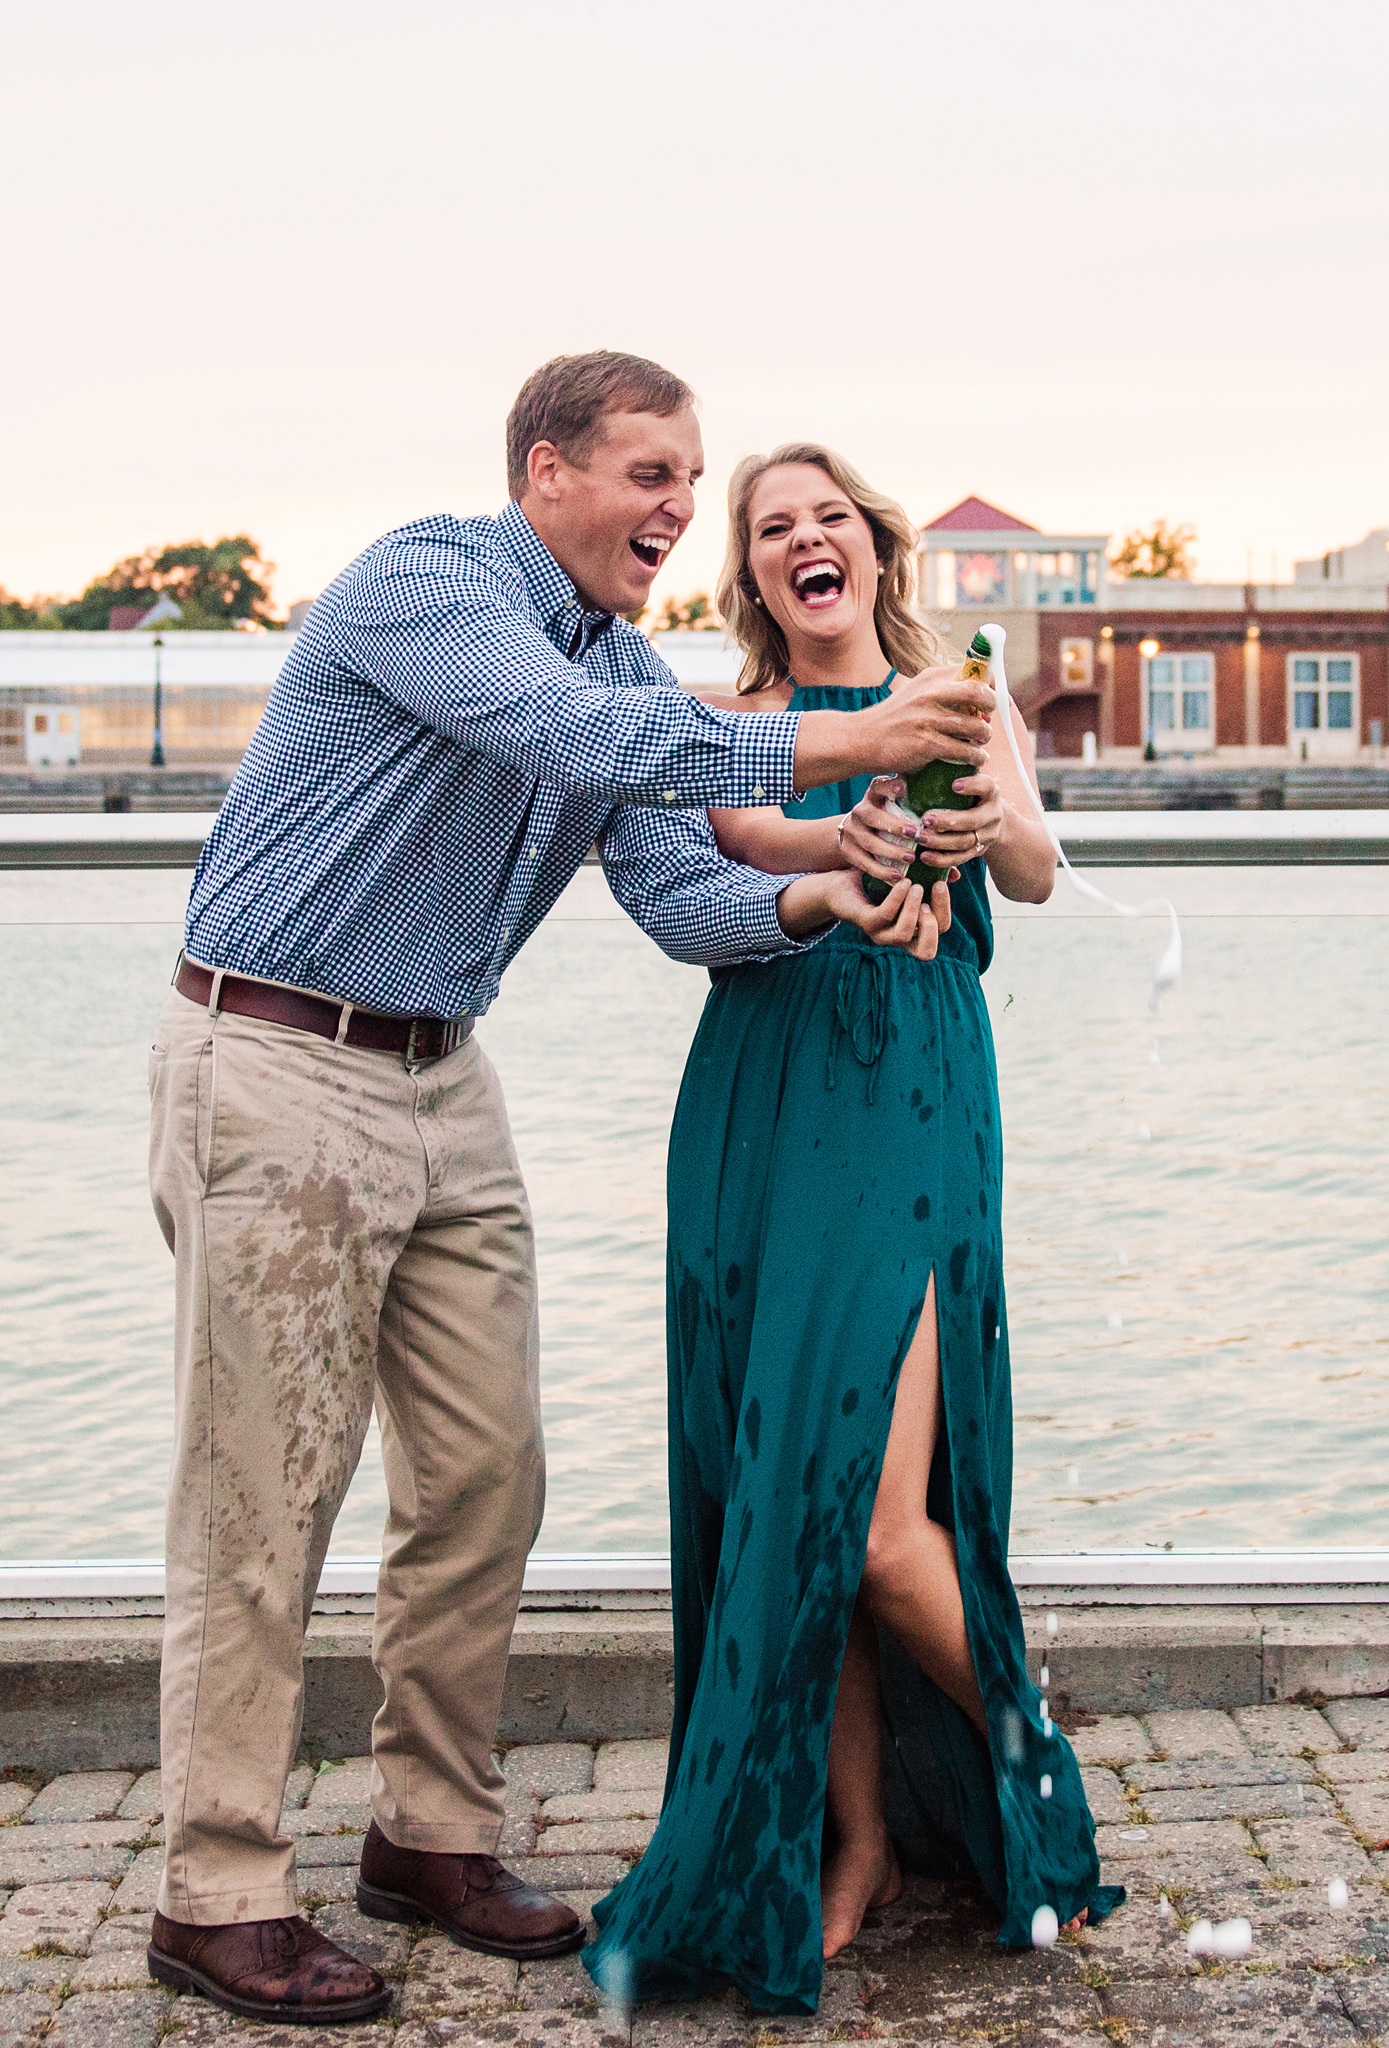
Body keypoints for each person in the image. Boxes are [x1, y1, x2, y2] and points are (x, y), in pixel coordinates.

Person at [144, 357, 972, 2027]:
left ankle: (429, 1834)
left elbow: (680, 885)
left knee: (485, 1477)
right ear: (547, 473)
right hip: (279, 1060)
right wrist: (850, 729)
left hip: (445, 1073)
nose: (682, 510)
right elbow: (571, 734)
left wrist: (840, 867)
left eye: (689, 481)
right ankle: (213, 1888)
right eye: (654, 477)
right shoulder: (429, 587)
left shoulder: (617, 662)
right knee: (263, 1493)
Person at [585, 443, 1124, 2015]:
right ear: (751, 574)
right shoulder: (735, 726)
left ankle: (1036, 1763)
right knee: (789, 1480)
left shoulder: (957, 692)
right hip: (760, 1103)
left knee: (886, 1526)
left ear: (873, 550)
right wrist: (847, 838)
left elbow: (1030, 869)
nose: (800, 542)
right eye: (770, 530)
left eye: (826, 519)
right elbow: (736, 846)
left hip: (907, 1100)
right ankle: (858, 1846)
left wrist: (964, 835)